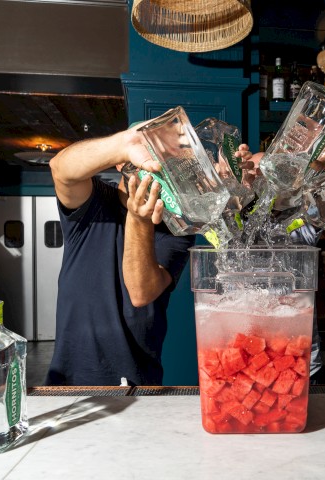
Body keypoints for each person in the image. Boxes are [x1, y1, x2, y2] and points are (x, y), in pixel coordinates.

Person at [46, 119, 255, 386]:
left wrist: (231, 185)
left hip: (135, 381)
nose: (161, 168)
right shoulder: (94, 201)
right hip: (70, 379)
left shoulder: (176, 228)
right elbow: (61, 169)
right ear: (122, 162)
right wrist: (125, 142)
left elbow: (141, 292)